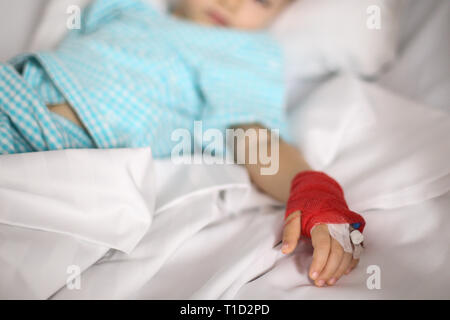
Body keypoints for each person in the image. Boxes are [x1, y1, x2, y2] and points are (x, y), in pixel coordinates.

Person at [0, 0, 365, 287]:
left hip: (50, 145)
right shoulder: (128, 9)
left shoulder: (242, 50)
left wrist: (314, 191)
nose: (232, 3)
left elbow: (255, 139)